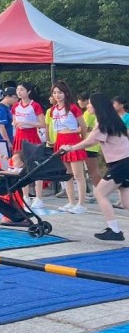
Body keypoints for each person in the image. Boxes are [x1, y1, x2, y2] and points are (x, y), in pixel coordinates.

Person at [58, 93, 129, 240]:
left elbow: (90, 141)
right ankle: (114, 229)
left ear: (98, 106)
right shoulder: (111, 120)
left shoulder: (103, 123)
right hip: (122, 162)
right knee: (126, 202)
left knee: (100, 193)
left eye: (90, 103)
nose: (88, 106)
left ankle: (114, 230)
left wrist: (70, 148)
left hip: (121, 163)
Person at [48, 81, 88, 214]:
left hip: (73, 141)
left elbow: (83, 126)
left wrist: (83, 141)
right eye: (54, 93)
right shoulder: (53, 110)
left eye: (60, 92)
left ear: (65, 93)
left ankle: (81, 203)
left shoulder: (73, 107)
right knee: (67, 174)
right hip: (60, 141)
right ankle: (71, 202)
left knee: (78, 175)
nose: (57, 95)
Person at [77, 92, 103, 198]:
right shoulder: (88, 113)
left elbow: (83, 128)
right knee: (92, 170)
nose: (78, 102)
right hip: (89, 144)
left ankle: (99, 191)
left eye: (80, 100)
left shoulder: (88, 113)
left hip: (89, 145)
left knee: (93, 170)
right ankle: (97, 191)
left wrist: (69, 130)